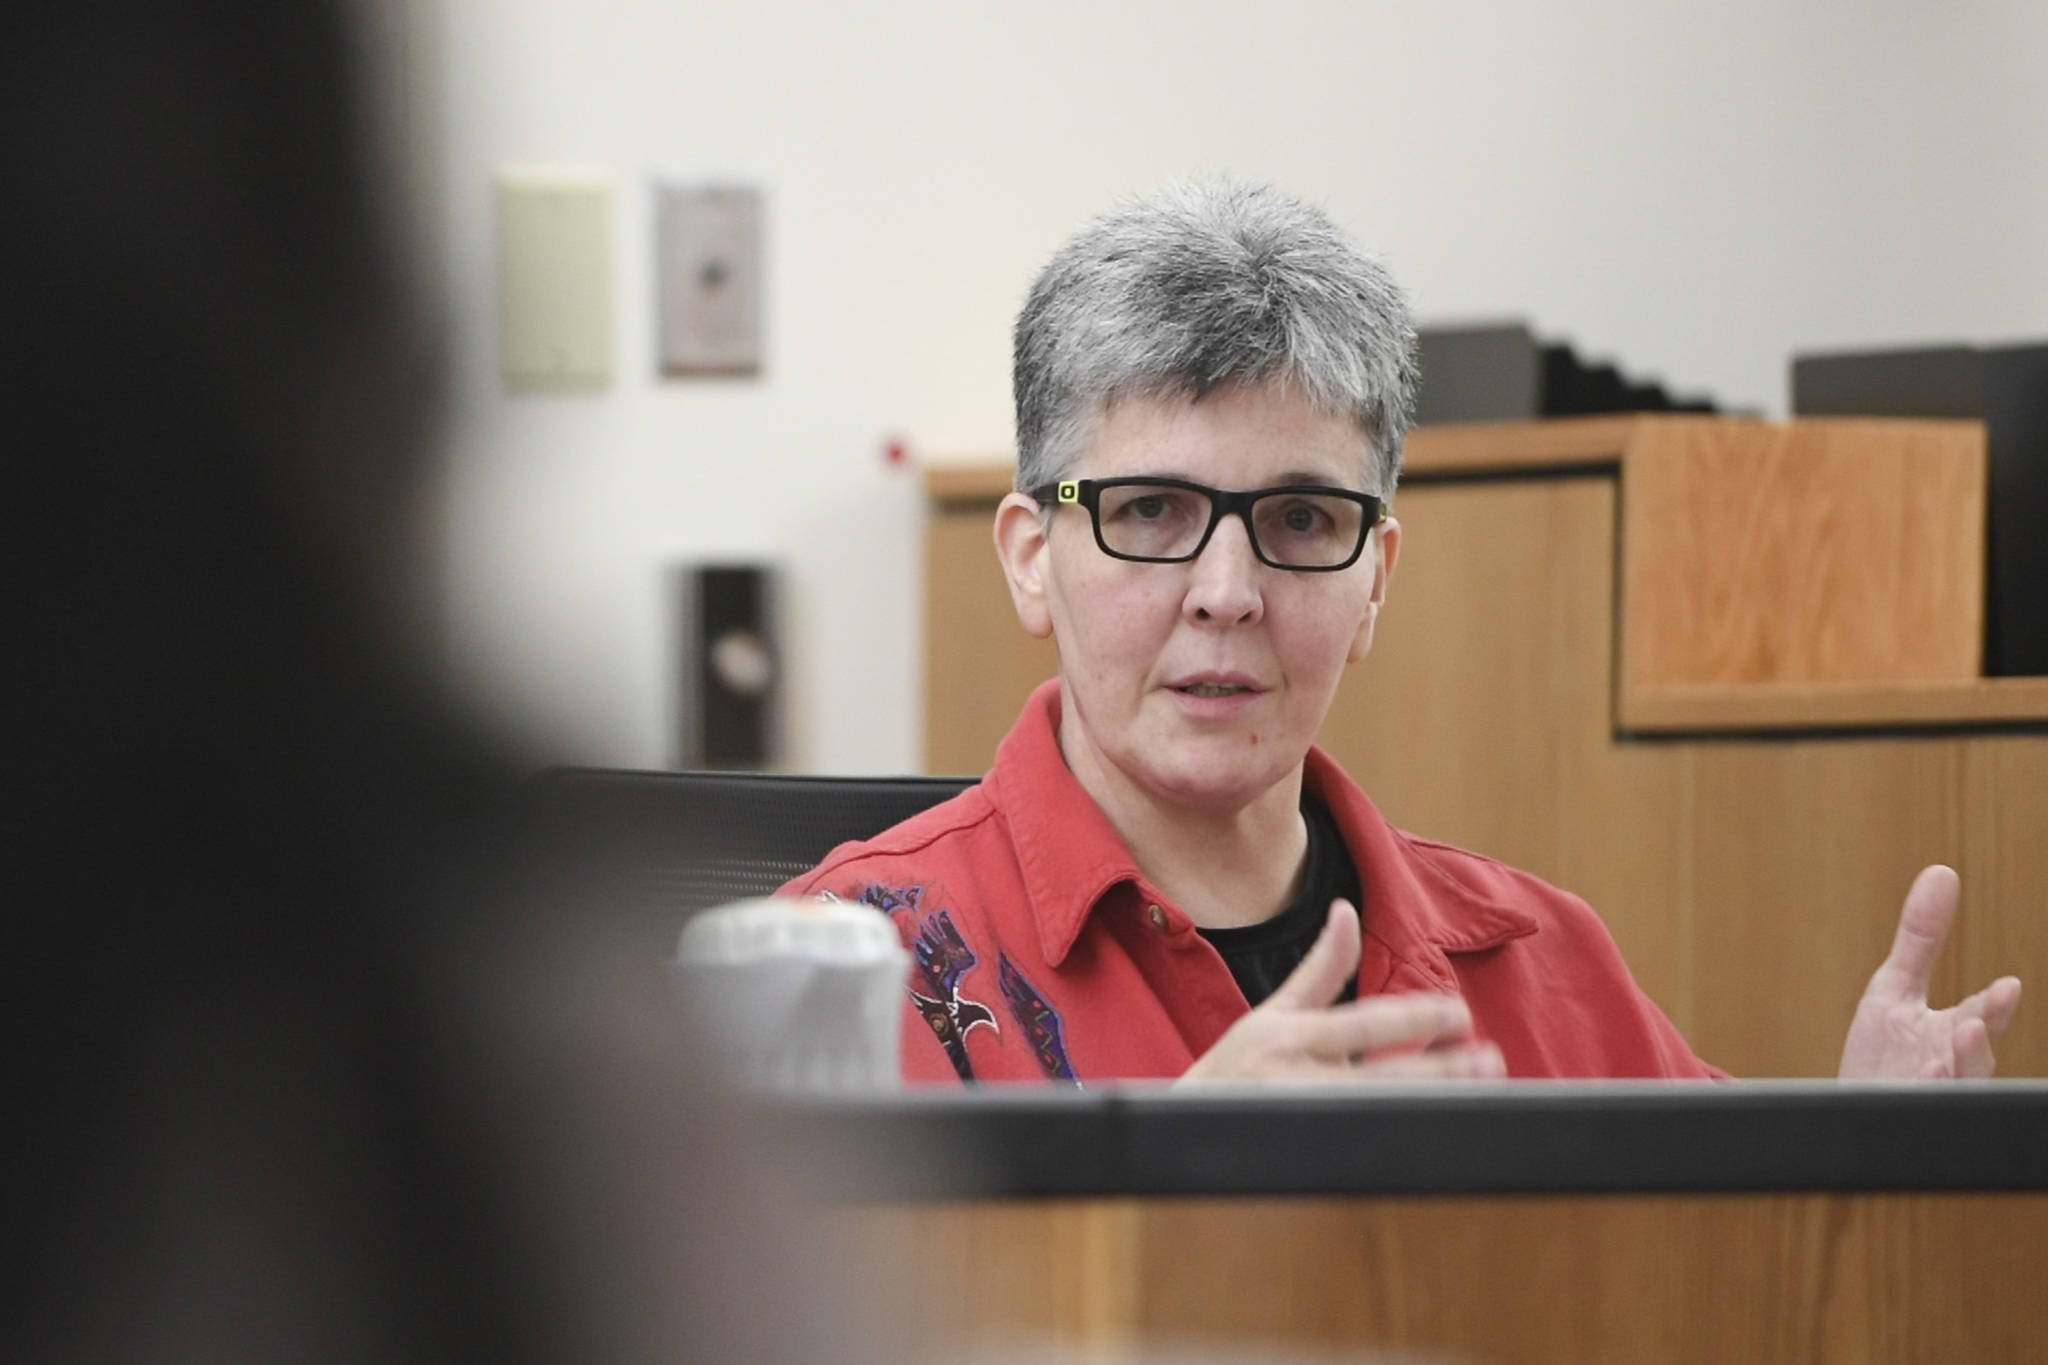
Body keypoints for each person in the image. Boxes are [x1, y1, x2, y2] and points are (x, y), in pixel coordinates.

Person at [782, 178, 2023, 1086]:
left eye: (1300, 519)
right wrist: (1167, 1189)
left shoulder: (1538, 960)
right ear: (1028, 557)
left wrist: (1853, 1164)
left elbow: (1711, 1296)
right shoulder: (849, 970)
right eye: (1149, 511)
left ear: (1372, 579)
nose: (1226, 591)